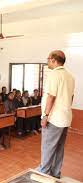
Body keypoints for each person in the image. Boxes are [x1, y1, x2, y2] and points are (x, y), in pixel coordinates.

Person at [37, 50, 75, 178]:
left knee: (48, 147)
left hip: (54, 119)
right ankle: (56, 173)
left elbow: (51, 97)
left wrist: (45, 115)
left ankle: (44, 174)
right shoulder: (70, 76)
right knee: (59, 148)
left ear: (54, 60)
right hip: (65, 118)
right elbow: (71, 97)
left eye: (48, 59)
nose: (47, 61)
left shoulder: (54, 75)